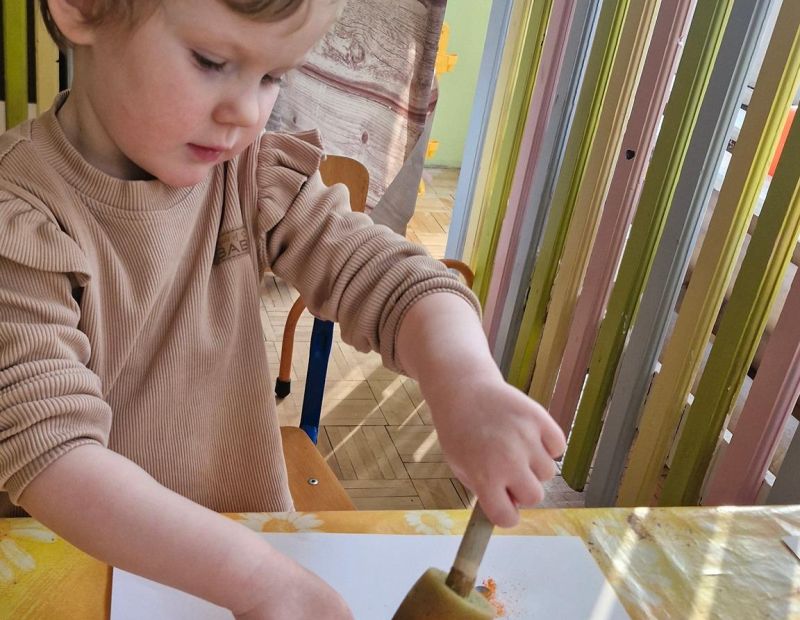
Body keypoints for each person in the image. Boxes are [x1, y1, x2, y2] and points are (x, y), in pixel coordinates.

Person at [0, 0, 566, 617]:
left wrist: (466, 381)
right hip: (73, 569)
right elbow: (51, 452)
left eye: (273, 76)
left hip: (248, 546)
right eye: (211, 61)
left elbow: (394, 277)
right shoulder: (19, 215)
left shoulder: (252, 174)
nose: (248, 113)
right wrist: (262, 582)